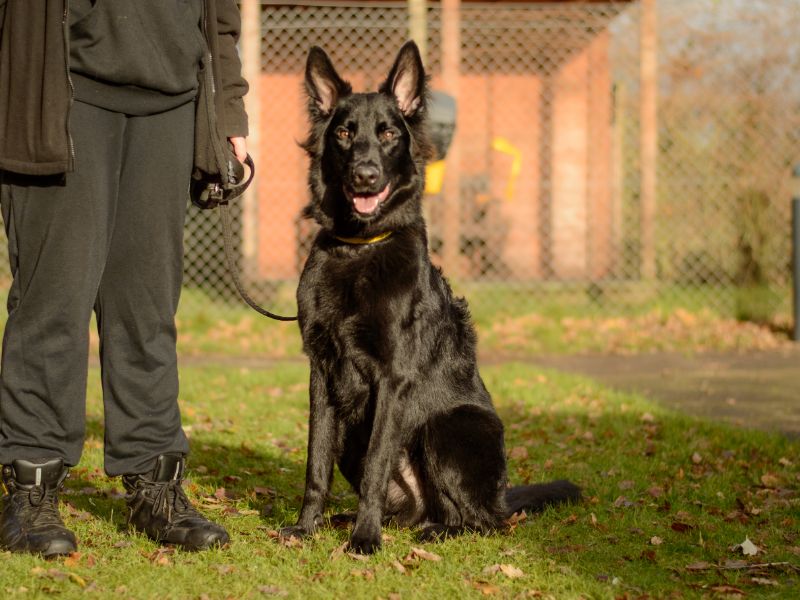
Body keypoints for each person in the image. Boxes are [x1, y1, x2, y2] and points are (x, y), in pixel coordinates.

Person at [0, 0, 249, 556]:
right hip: (60, 92)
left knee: (146, 311)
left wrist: (228, 113)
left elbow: (223, 14)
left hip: (172, 100)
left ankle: (155, 482)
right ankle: (30, 491)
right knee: (52, 304)